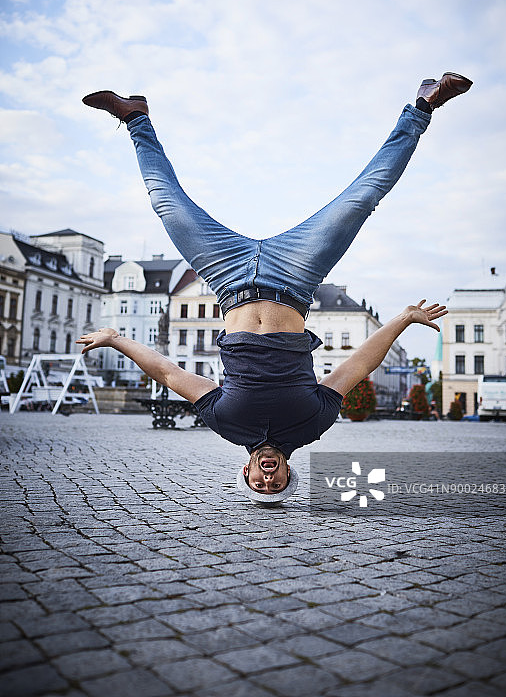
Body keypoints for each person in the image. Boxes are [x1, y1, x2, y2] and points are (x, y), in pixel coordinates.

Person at [78, 72, 472, 504]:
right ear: (288, 474)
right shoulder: (311, 425)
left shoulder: (228, 425)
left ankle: (136, 117)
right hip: (295, 277)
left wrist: (116, 339)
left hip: (226, 278)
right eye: (276, 486)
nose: (268, 481)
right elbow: (355, 368)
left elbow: (171, 374)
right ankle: (422, 108)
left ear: (245, 471)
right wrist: (400, 320)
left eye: (259, 485)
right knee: (363, 198)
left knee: (164, 203)